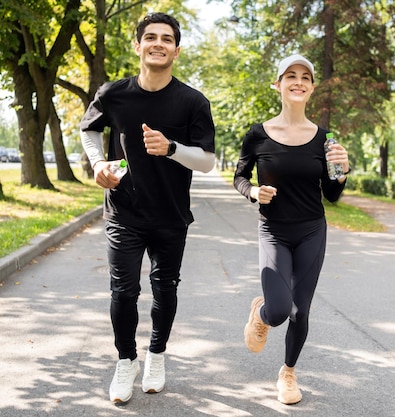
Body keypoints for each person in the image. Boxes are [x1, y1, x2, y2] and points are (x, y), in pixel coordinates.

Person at [79, 12, 215, 403]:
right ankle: (126, 361)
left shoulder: (192, 101)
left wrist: (171, 148)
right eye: (150, 37)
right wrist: (97, 164)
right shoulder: (113, 93)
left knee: (164, 288)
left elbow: (207, 161)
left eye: (167, 38)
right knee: (123, 291)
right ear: (137, 45)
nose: (158, 43)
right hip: (124, 211)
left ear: (176, 48)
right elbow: (90, 128)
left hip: (171, 215)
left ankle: (156, 354)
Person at [233, 54, 351, 405]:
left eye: (305, 77)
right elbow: (239, 177)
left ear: (312, 88)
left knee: (301, 309)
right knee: (280, 310)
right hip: (273, 231)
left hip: (312, 230)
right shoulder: (257, 134)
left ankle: (287, 372)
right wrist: (254, 191)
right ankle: (262, 313)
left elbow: (332, 194)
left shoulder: (325, 139)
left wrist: (341, 172)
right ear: (278, 85)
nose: (298, 82)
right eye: (290, 76)